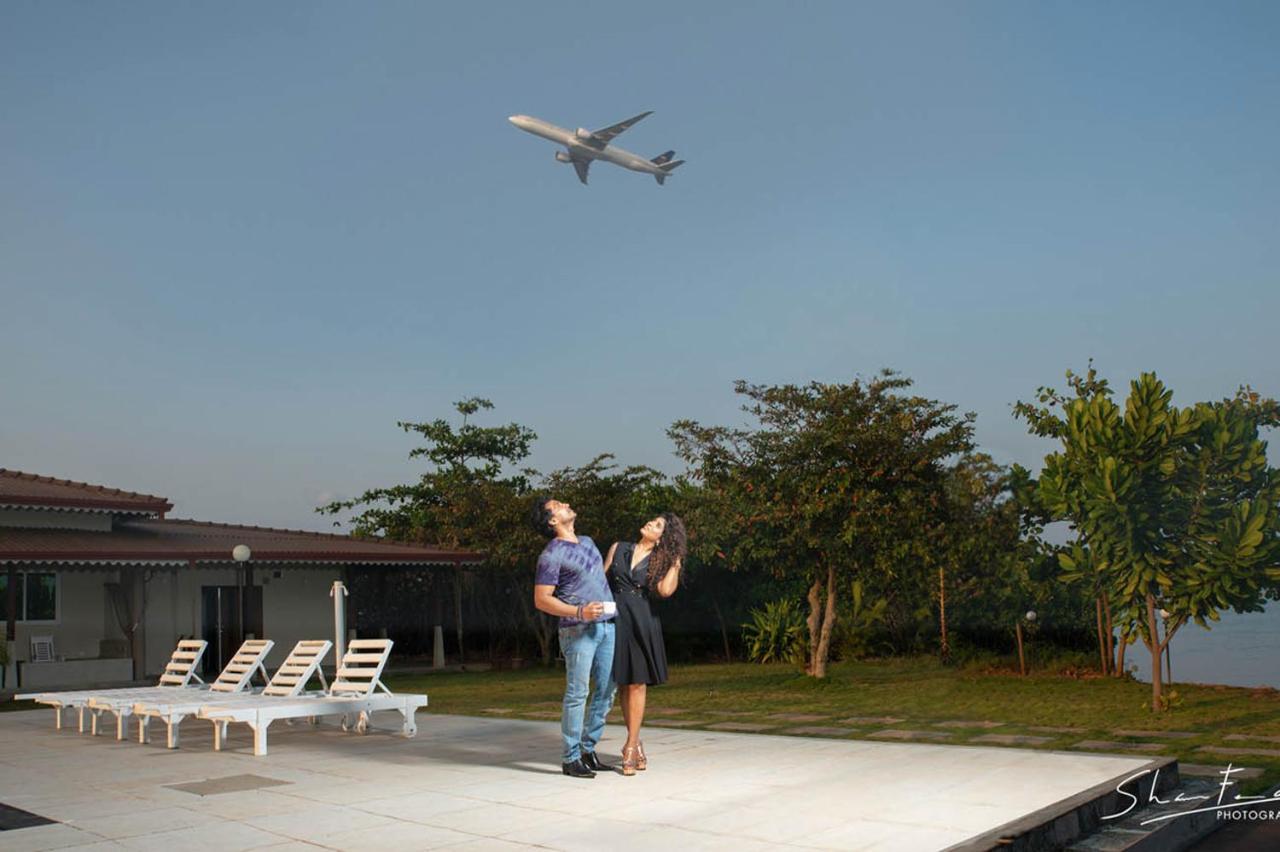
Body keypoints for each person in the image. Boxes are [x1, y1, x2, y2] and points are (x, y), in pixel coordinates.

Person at [530, 495, 618, 779]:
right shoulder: (551, 554)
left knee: (607, 690)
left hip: (606, 625)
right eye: (557, 506)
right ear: (553, 520)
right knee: (578, 693)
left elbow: (594, 577)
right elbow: (542, 600)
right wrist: (580, 612)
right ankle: (570, 758)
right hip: (577, 629)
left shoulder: (589, 542)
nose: (565, 503)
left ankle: (587, 750)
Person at [603, 512, 686, 776]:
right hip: (616, 618)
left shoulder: (661, 560)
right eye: (653, 520)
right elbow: (600, 582)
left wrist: (675, 564)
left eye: (658, 525)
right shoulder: (618, 548)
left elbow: (665, 591)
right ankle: (636, 742)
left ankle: (629, 746)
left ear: (663, 538)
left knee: (637, 683)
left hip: (642, 621)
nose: (650, 523)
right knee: (624, 683)